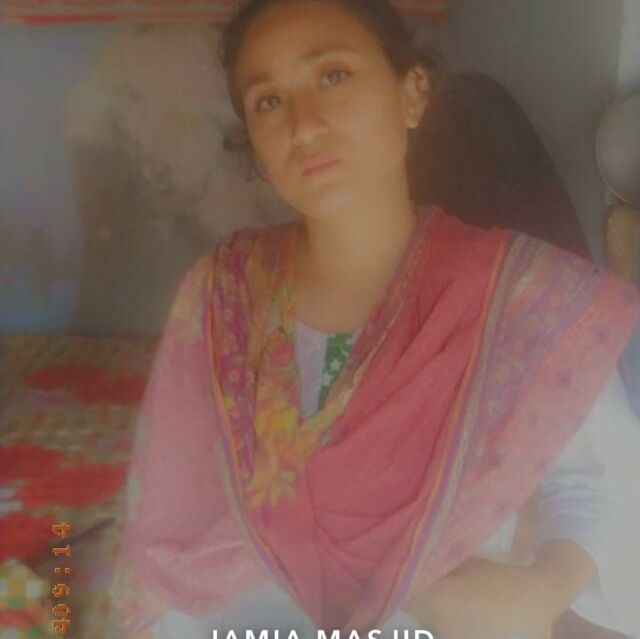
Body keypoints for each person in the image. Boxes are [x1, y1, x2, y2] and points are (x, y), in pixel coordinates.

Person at [106, 1, 640, 638]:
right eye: (268, 102)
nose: (304, 125)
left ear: (411, 93)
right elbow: (170, 522)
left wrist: (543, 589)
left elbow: (605, 481)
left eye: (333, 75)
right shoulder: (223, 294)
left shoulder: (521, 296)